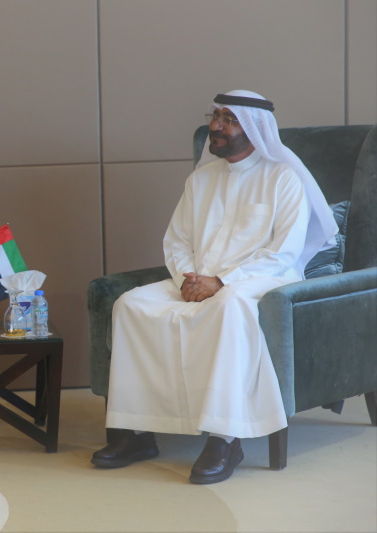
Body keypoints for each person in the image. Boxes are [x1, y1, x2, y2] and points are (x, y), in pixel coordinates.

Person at [91, 90, 338, 484]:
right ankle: (136, 434)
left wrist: (222, 281)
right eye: (216, 117)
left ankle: (225, 439)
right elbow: (176, 241)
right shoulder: (200, 180)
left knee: (229, 305)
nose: (216, 126)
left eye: (228, 119)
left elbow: (284, 254)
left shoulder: (283, 179)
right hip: (197, 280)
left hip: (261, 282)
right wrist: (189, 279)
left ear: (255, 128)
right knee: (131, 304)